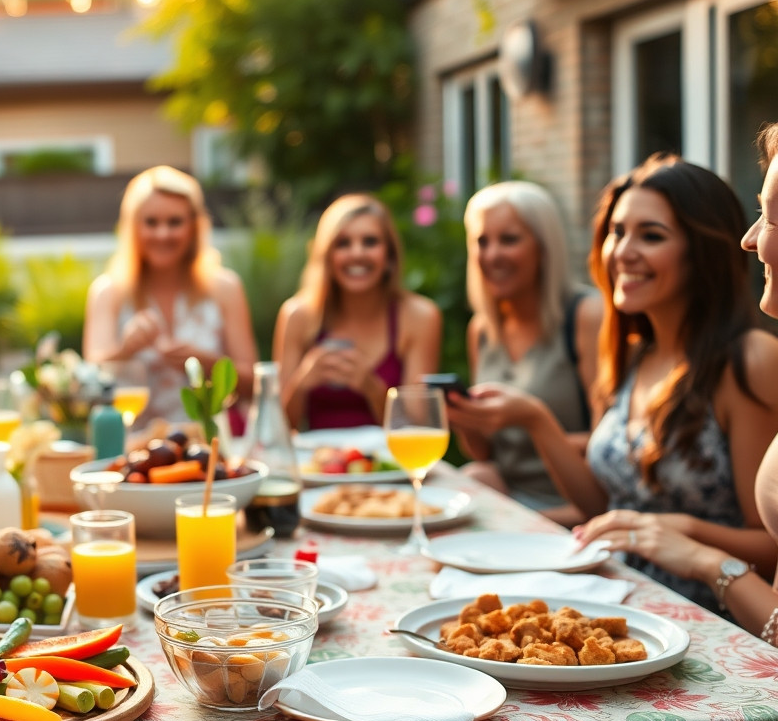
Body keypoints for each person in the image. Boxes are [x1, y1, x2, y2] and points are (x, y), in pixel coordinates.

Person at [463, 154, 778, 617]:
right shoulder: (631, 352)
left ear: (702, 250)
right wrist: (537, 421)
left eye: (651, 236)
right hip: (612, 602)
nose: (623, 252)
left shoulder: (749, 359)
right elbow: (604, 508)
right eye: (616, 232)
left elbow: (770, 544)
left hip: (705, 616)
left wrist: (679, 530)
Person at [447, 181, 601, 524]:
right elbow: (486, 453)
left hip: (576, 502)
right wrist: (466, 422)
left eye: (509, 239)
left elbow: (613, 444)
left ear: (544, 247)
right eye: (482, 241)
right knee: (474, 475)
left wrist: (533, 422)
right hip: (510, 494)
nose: (492, 255)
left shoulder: (586, 315)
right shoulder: (483, 329)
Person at [82, 165, 257, 423]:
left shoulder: (225, 288)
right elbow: (87, 387)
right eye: (151, 222)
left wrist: (206, 363)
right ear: (133, 227)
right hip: (133, 449)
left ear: (194, 227)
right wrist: (124, 351)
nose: (162, 234)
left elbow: (254, 385)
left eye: (174, 222)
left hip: (208, 447)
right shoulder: (108, 292)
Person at [273, 193, 443, 430]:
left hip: (389, 464)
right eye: (343, 243)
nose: (357, 253)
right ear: (326, 256)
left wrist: (371, 387)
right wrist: (302, 383)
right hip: (317, 464)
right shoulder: (297, 315)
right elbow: (277, 430)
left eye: (370, 242)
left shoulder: (419, 316)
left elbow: (418, 429)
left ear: (390, 256)